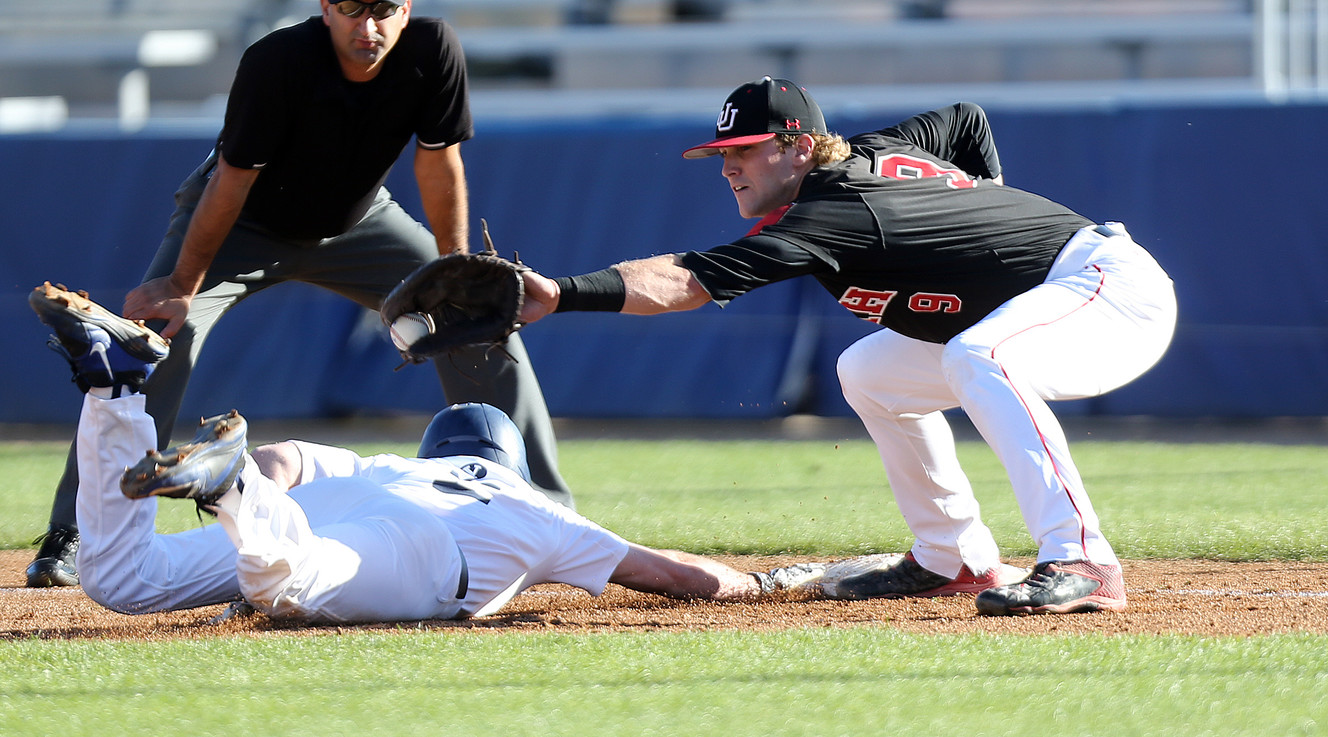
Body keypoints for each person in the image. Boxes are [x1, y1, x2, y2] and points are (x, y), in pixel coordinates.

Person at [517, 77, 1178, 616]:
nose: (729, 168)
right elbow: (965, 120)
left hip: (1107, 290)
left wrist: (559, 293)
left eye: (744, 150)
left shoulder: (836, 209)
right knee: (869, 370)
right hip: (1048, 299)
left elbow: (685, 280)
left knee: (982, 354)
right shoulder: (869, 151)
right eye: (722, 154)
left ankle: (1084, 559)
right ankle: (953, 558)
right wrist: (984, 222)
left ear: (799, 146)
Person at [26, 0, 571, 589]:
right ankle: (74, 530)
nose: (369, 26)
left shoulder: (432, 49)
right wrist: (182, 287)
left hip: (359, 225)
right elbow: (230, 183)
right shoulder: (279, 61)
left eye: (384, 8)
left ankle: (541, 506)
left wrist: (454, 267)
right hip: (241, 224)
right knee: (156, 338)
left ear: (406, 8)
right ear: (325, 9)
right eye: (353, 8)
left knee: (475, 318)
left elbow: (439, 163)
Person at [30, 282, 871, 622]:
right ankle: (228, 492)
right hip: (423, 551)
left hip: (332, 502)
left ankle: (117, 393)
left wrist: (255, 473)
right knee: (289, 583)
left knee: (121, 580)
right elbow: (675, 576)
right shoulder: (525, 505)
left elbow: (284, 456)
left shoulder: (398, 460)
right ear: (503, 459)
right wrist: (762, 582)